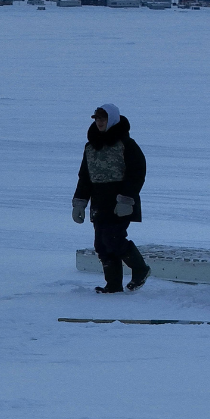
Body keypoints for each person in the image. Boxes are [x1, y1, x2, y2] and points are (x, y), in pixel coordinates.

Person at [71, 104, 150, 293]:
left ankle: (140, 269)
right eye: (97, 119)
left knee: (113, 238)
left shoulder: (126, 144)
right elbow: (84, 178)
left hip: (120, 202)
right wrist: (79, 203)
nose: (99, 122)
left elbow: (137, 172)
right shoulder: (90, 147)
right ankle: (113, 285)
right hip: (99, 201)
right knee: (101, 244)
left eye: (103, 119)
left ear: (112, 120)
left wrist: (126, 199)